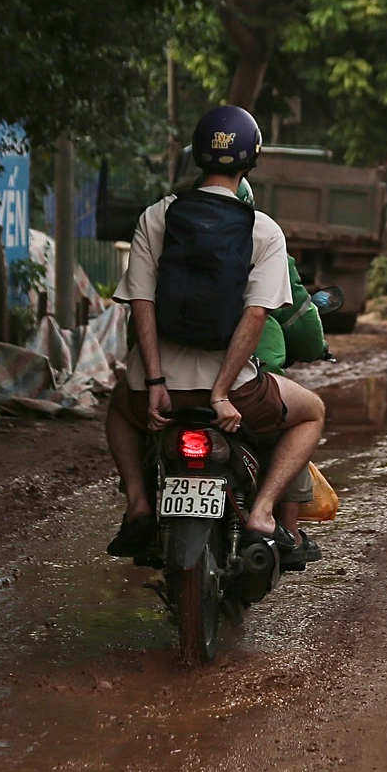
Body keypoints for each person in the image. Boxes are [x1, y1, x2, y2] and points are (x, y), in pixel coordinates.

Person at [104, 106, 326, 567]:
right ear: (251, 161)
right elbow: (255, 316)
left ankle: (139, 506)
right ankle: (263, 515)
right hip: (236, 392)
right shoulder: (263, 230)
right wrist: (222, 391)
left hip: (158, 389)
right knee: (312, 414)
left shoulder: (156, 218)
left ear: (197, 156)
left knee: (117, 410)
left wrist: (155, 384)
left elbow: (141, 303)